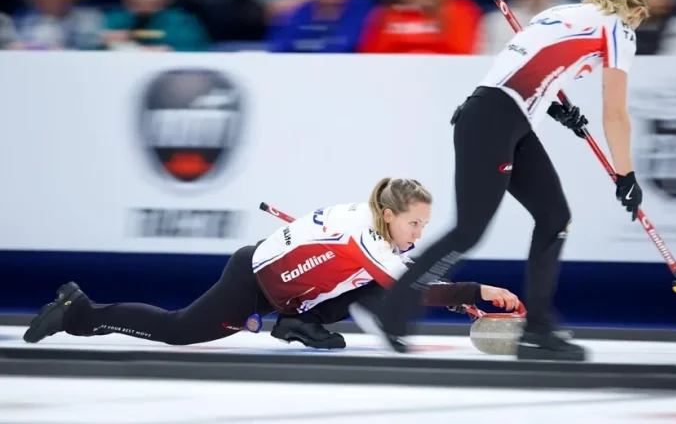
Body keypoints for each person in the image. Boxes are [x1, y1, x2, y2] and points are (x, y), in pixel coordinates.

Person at [349, 0, 651, 362]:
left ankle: (539, 329)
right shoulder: (620, 29)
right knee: (469, 231)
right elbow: (615, 113)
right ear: (638, 10)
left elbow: (524, 66)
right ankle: (390, 308)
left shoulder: (562, 13)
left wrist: (556, 108)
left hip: (499, 116)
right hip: (497, 121)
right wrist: (625, 175)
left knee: (554, 216)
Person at [23, 177, 521, 350]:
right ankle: (79, 313)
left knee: (370, 292)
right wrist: (473, 293)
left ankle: (296, 323)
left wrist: (455, 299)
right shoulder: (367, 238)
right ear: (390, 215)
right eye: (415, 224)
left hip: (290, 285)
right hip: (255, 282)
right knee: (177, 331)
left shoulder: (370, 221)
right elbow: (412, 285)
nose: (420, 234)